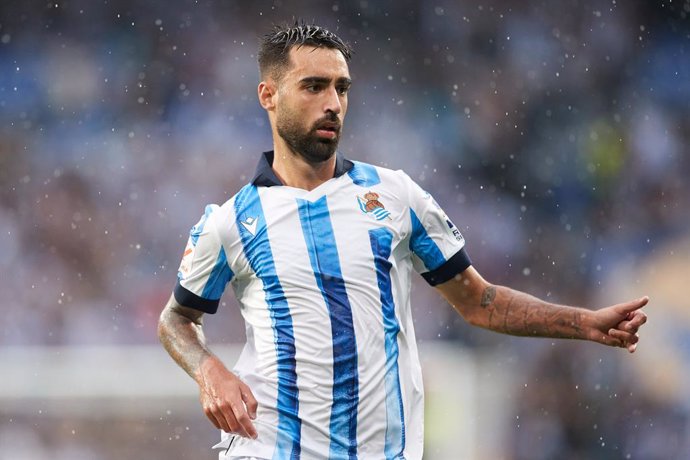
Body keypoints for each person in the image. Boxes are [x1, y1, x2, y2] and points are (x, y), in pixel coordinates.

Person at [157, 23, 648, 460]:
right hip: (269, 449)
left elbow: (480, 302)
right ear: (269, 94)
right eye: (313, 86)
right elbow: (176, 319)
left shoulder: (394, 195)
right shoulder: (231, 221)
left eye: (341, 88)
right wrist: (208, 371)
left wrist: (581, 322)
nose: (333, 103)